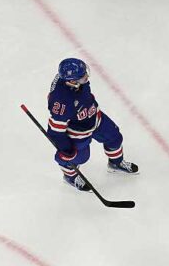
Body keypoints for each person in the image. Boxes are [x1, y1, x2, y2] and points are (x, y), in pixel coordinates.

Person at [47, 58, 138, 191]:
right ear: (71, 81)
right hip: (78, 131)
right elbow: (55, 132)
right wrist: (66, 150)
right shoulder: (61, 103)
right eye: (83, 76)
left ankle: (115, 163)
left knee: (114, 137)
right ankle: (70, 177)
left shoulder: (73, 80)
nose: (87, 77)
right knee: (79, 157)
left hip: (94, 117)